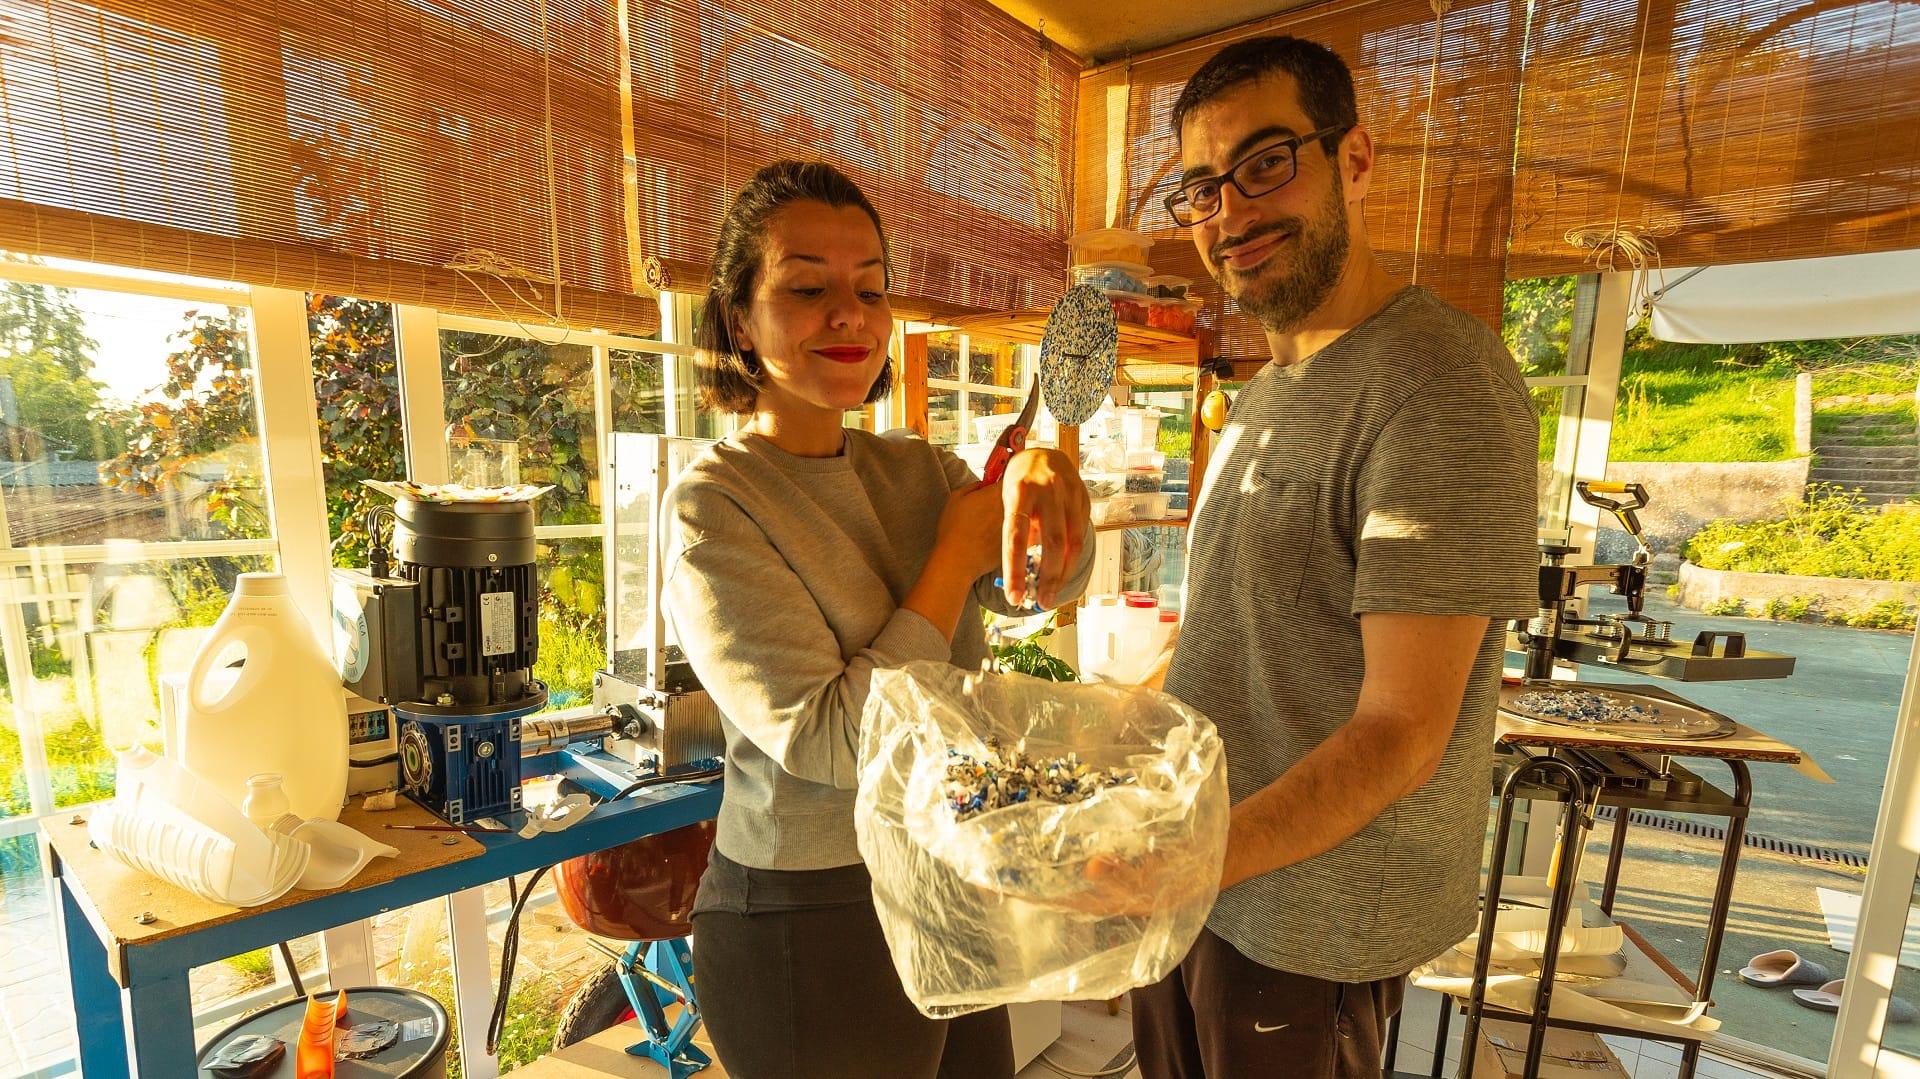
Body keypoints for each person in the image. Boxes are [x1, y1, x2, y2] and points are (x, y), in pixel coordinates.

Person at [1129, 36, 1541, 1078]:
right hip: (1203, 887)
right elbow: (1241, 634)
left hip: (1305, 924)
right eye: (1202, 189)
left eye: (1267, 164)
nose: (1233, 212)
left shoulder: (1435, 380)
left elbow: (1402, 731)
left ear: (1355, 156)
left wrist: (1181, 857)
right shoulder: (1262, 394)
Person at [662, 160, 1094, 1079]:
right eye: (808, 287)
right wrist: (949, 560)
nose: (848, 313)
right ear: (740, 318)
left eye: (870, 287)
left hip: (940, 875)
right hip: (805, 919)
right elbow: (831, 741)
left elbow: (1038, 589)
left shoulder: (917, 470)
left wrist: (1051, 499)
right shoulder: (714, 506)